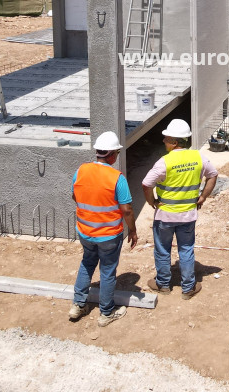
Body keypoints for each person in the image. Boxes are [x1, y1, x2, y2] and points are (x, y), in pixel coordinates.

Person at [142, 119, 217, 300]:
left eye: (166, 138)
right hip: (188, 215)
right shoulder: (198, 157)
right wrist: (203, 197)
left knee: (162, 249)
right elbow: (212, 175)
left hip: (165, 216)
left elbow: (146, 183)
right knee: (186, 249)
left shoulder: (164, 162)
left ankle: (163, 284)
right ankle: (188, 287)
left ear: (175, 142)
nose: (163, 141)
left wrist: (152, 201)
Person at [69, 131, 138, 326]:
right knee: (107, 271)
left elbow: (75, 195)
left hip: (85, 231)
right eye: (116, 152)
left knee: (87, 263)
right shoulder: (117, 177)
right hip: (108, 235)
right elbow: (127, 209)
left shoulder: (81, 170)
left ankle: (78, 304)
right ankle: (106, 312)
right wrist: (132, 231)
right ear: (111, 155)